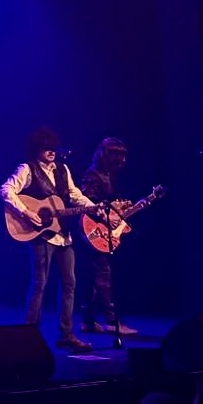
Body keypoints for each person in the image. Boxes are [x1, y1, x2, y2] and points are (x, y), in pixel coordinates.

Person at [0, 127, 96, 352]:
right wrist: (26, 211)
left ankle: (66, 334)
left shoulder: (63, 169)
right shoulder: (27, 169)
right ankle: (28, 334)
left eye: (53, 147)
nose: (51, 151)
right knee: (39, 283)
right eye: (46, 148)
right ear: (37, 149)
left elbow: (74, 194)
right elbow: (6, 190)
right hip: (41, 235)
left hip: (62, 234)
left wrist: (94, 207)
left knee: (70, 283)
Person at [77, 137, 138, 335]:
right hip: (92, 229)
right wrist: (106, 214)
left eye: (122, 156)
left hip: (100, 229)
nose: (121, 161)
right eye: (117, 155)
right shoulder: (93, 175)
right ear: (106, 155)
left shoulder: (109, 176)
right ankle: (112, 320)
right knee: (103, 273)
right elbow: (88, 202)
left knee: (94, 275)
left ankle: (87, 320)